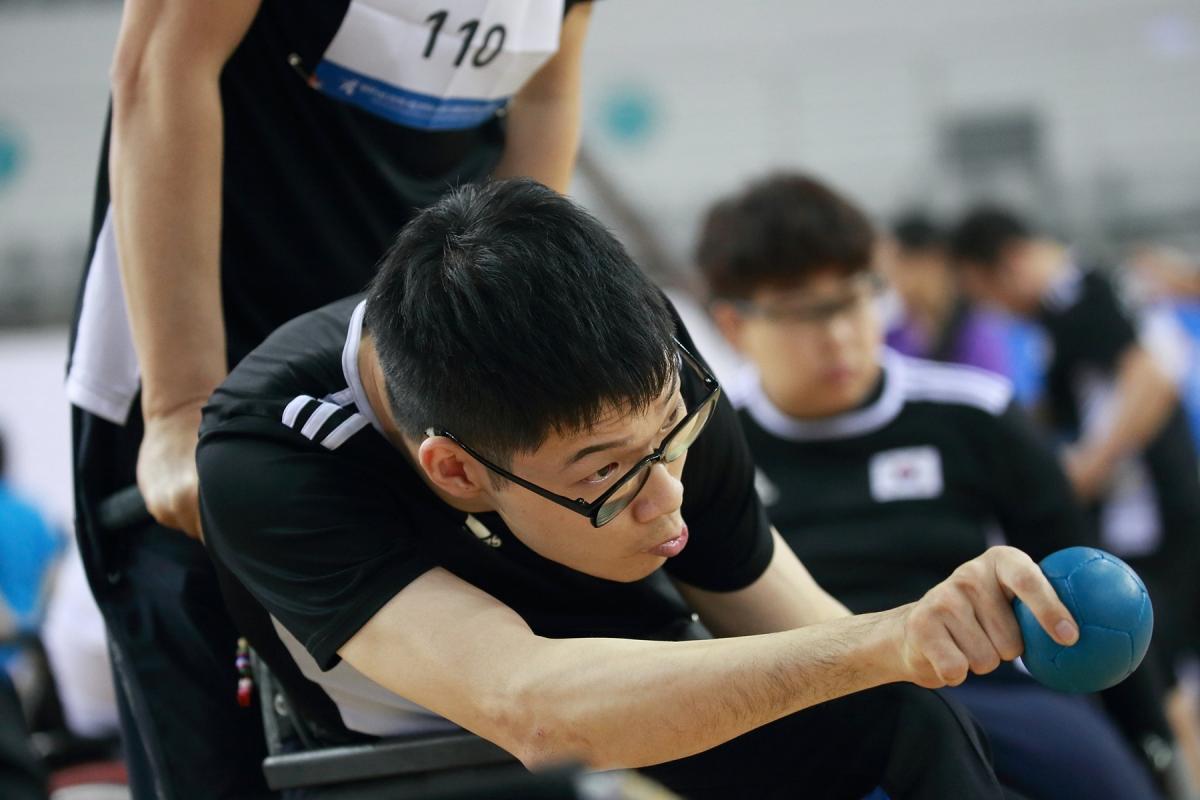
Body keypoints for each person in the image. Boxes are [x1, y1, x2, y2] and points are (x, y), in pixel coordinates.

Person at [198, 178, 1083, 799]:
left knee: (900, 722)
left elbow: (786, 618)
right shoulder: (270, 455)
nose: (670, 498)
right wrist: (883, 638)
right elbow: (530, 707)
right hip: (415, 743)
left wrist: (913, 636)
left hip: (626, 653)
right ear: (458, 473)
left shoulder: (644, 346)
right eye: (608, 471)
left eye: (671, 437)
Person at [65, 2, 593, 797]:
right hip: (208, 347)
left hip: (412, 362)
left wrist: (504, 355)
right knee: (219, 746)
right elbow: (161, 70)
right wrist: (178, 407)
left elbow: (546, 96)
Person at [696, 172, 1161, 799]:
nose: (838, 334)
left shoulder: (975, 413)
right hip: (806, 702)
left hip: (987, 685)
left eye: (855, 298)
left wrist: (1155, 745)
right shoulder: (709, 449)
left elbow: (1081, 581)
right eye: (804, 312)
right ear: (733, 324)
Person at [948, 207, 1200, 673]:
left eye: (986, 293)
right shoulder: (1063, 309)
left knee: (1158, 662)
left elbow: (1152, 377)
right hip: (1142, 511)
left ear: (1009, 262)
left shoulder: (1081, 294)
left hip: (1149, 512)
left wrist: (1088, 467)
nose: (993, 310)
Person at [882, 213, 1011, 377]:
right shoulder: (893, 333)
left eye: (905, 264)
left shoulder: (978, 331)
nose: (897, 277)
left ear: (938, 261)